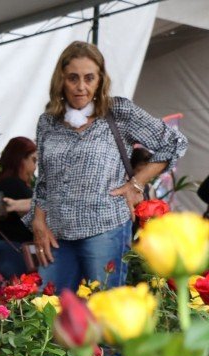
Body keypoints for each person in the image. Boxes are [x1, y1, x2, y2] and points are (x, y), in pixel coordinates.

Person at [25, 41, 187, 292]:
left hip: (105, 228)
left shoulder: (118, 111)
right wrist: (37, 221)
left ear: (100, 80)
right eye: (73, 78)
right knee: (49, 312)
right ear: (61, 80)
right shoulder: (48, 122)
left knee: (104, 308)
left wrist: (137, 182)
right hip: (56, 234)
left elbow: (174, 143)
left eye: (89, 78)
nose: (81, 87)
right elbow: (44, 181)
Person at [0, 137, 37, 281]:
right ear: (21, 159)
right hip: (16, 250)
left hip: (6, 248)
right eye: (33, 160)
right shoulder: (13, 185)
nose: (35, 167)